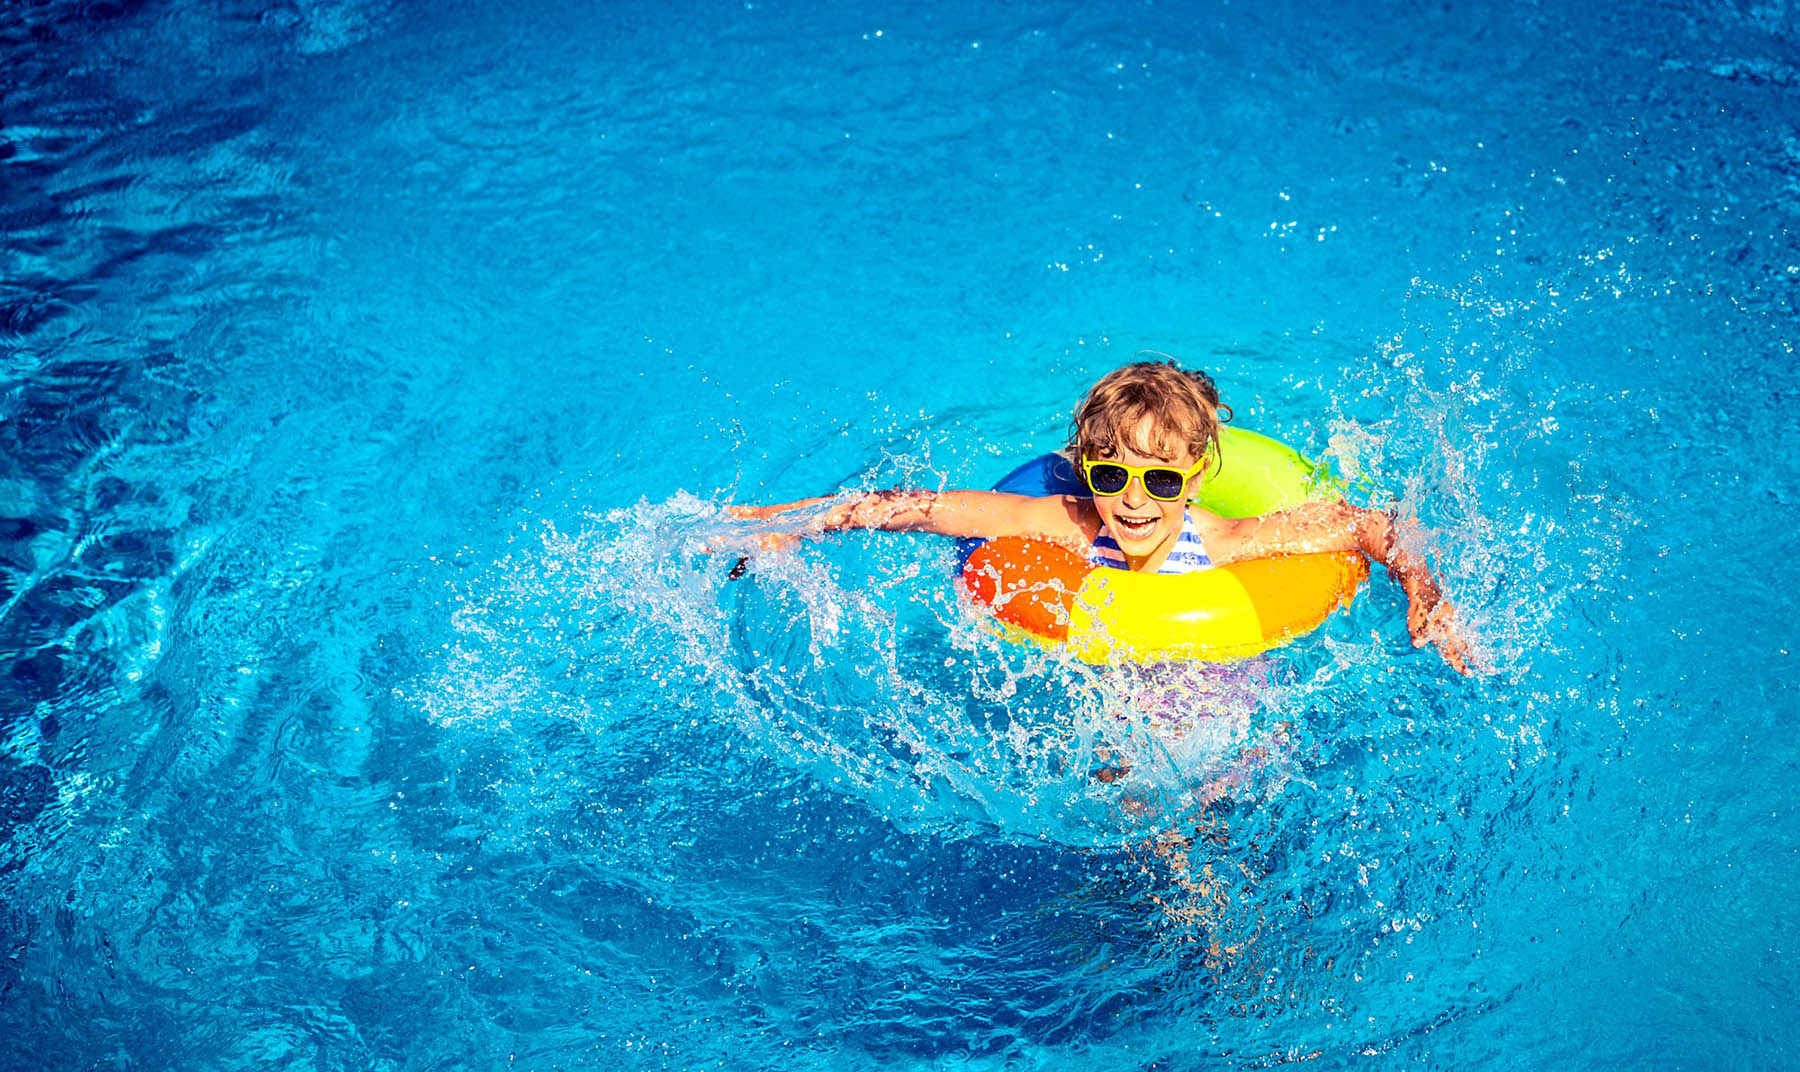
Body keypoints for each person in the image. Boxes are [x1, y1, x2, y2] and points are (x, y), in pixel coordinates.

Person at [729, 360, 1473, 674]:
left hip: (1223, 693)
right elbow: (929, 509)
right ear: (1088, 470)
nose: (1134, 500)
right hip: (1123, 710)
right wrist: (789, 519)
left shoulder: (1222, 540)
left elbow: (1372, 527)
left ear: (1194, 477)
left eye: (1160, 478)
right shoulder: (1073, 524)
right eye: (1112, 475)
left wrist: (1424, 592)